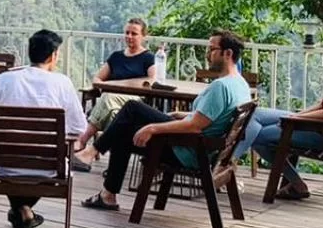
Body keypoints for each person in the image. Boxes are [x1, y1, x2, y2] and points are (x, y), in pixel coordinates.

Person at [81, 30, 251, 211]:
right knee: (126, 123)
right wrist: (183, 114)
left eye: (212, 50)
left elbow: (195, 126)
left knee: (131, 111)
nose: (207, 55)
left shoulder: (221, 87)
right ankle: (105, 187)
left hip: (187, 150)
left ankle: (94, 157)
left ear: (228, 54)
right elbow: (209, 118)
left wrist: (153, 128)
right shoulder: (240, 84)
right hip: (202, 149)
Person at [0, 29, 87, 228]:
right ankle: (25, 211)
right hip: (47, 167)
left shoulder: (4, 80)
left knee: (14, 160)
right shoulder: (62, 83)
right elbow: (79, 127)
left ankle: (21, 210)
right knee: (46, 159)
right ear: (53, 55)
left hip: (3, 164)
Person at [241, 33, 323, 200]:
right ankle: (294, 183)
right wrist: (296, 115)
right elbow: (321, 105)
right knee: (258, 120)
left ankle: (297, 184)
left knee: (257, 137)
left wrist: (295, 120)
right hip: (321, 130)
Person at [70, 17, 157, 171]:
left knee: (108, 98)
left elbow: (150, 81)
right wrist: (106, 86)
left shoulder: (148, 58)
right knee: (114, 113)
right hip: (112, 105)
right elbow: (97, 79)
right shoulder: (116, 57)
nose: (129, 37)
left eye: (134, 34)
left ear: (143, 36)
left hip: (134, 102)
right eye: (127, 33)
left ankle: (83, 141)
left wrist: (119, 85)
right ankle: (112, 168)